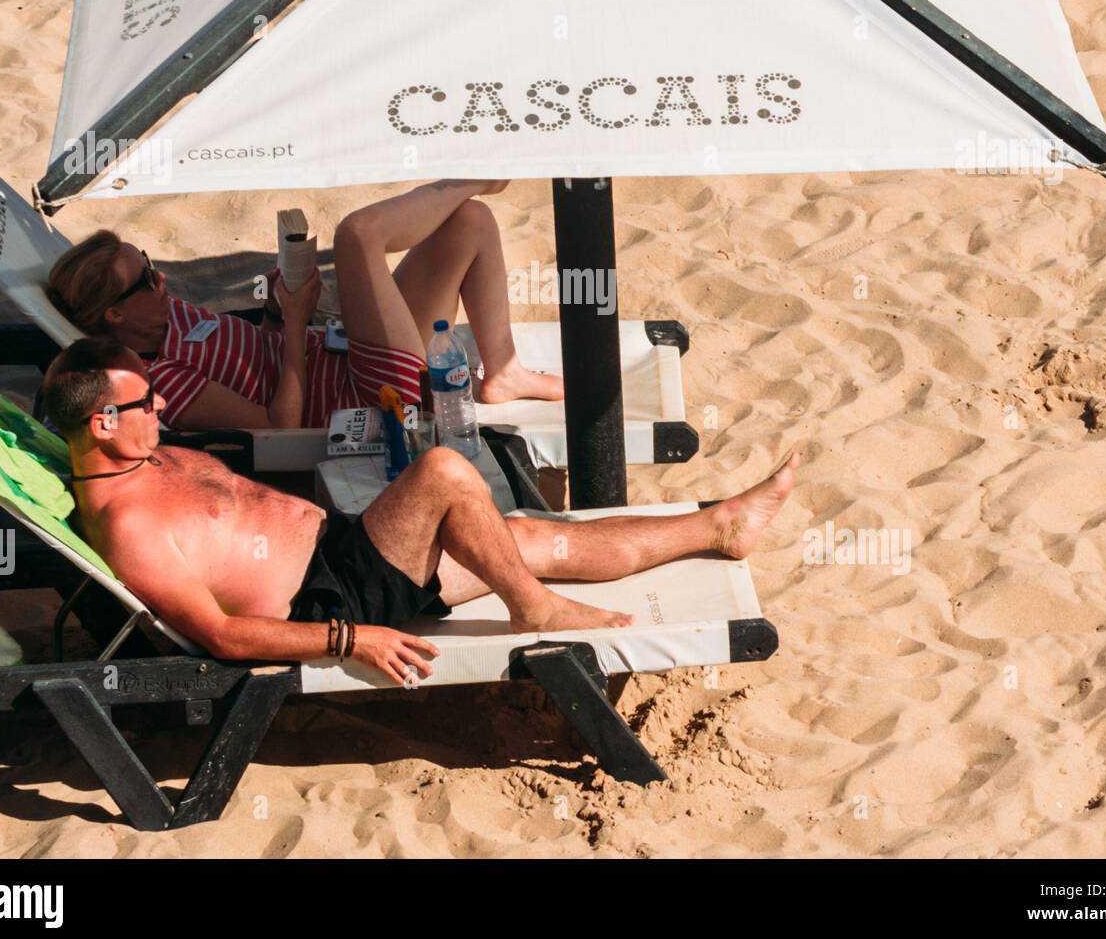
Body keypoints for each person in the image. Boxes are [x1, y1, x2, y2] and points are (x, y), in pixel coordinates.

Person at [43, 338, 800, 685]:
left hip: (341, 549)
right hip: (332, 596)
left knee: (526, 537)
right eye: (144, 400)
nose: (163, 401)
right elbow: (221, 634)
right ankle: (531, 610)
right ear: (102, 423)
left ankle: (718, 527)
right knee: (443, 469)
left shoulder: (142, 451)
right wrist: (351, 637)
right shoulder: (129, 524)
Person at [44, 179, 564, 432]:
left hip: (343, 349)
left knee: (469, 221)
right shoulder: (163, 380)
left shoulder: (165, 314)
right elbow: (278, 429)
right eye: (148, 280)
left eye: (153, 264)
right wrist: (295, 325)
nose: (162, 279)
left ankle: (504, 371)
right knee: (357, 235)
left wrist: (274, 313)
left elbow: (257, 358)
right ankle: (470, 176)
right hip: (371, 400)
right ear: (115, 315)